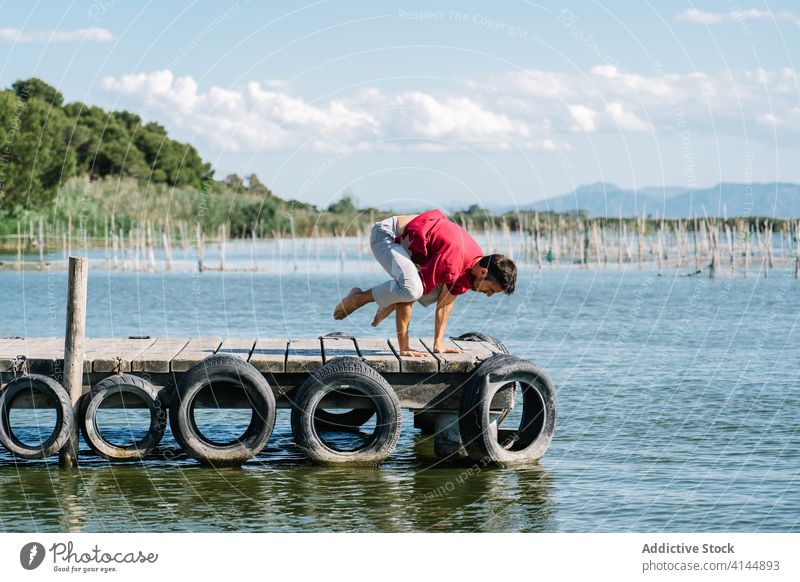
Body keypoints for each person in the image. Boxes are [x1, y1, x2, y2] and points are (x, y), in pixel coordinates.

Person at [333, 209, 517, 357]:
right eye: (491, 289)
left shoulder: (473, 265)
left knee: (431, 292)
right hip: (387, 236)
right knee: (411, 289)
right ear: (483, 272)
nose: (489, 295)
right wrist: (404, 348)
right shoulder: (452, 262)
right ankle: (360, 297)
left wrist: (439, 344)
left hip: (408, 250)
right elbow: (410, 295)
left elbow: (445, 303)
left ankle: (387, 301)